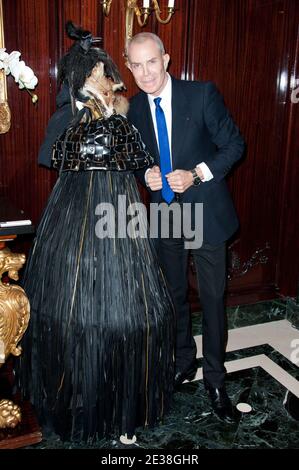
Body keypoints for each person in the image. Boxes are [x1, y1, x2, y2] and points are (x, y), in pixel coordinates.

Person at [18, 23, 175, 443]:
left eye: (103, 76)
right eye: (95, 76)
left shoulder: (119, 117)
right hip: (74, 219)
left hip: (117, 214)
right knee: (74, 305)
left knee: (123, 306)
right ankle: (79, 397)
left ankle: (115, 399)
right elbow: (49, 155)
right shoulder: (69, 118)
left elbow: (140, 160)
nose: (104, 82)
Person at [126, 32, 245, 423]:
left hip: (206, 212)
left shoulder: (202, 94)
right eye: (137, 65)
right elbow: (137, 159)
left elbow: (233, 145)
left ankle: (215, 379)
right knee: (173, 295)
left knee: (211, 300)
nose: (146, 73)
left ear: (167, 59)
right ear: (129, 67)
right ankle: (182, 360)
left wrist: (196, 174)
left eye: (152, 62)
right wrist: (147, 174)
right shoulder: (134, 109)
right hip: (165, 213)